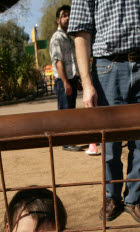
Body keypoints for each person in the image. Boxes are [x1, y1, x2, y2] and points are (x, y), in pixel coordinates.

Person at [68, 1, 140, 223]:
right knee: (110, 142)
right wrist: (86, 83)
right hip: (108, 67)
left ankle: (134, 199)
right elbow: (82, 34)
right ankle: (112, 197)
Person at [50, 4, 98, 154]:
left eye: (69, 15)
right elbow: (58, 62)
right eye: (64, 15)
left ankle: (69, 140)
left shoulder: (70, 38)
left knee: (70, 111)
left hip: (70, 80)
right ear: (58, 19)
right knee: (65, 113)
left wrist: (75, 81)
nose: (67, 18)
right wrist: (65, 81)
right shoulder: (57, 38)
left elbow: (73, 61)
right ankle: (66, 142)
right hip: (63, 81)